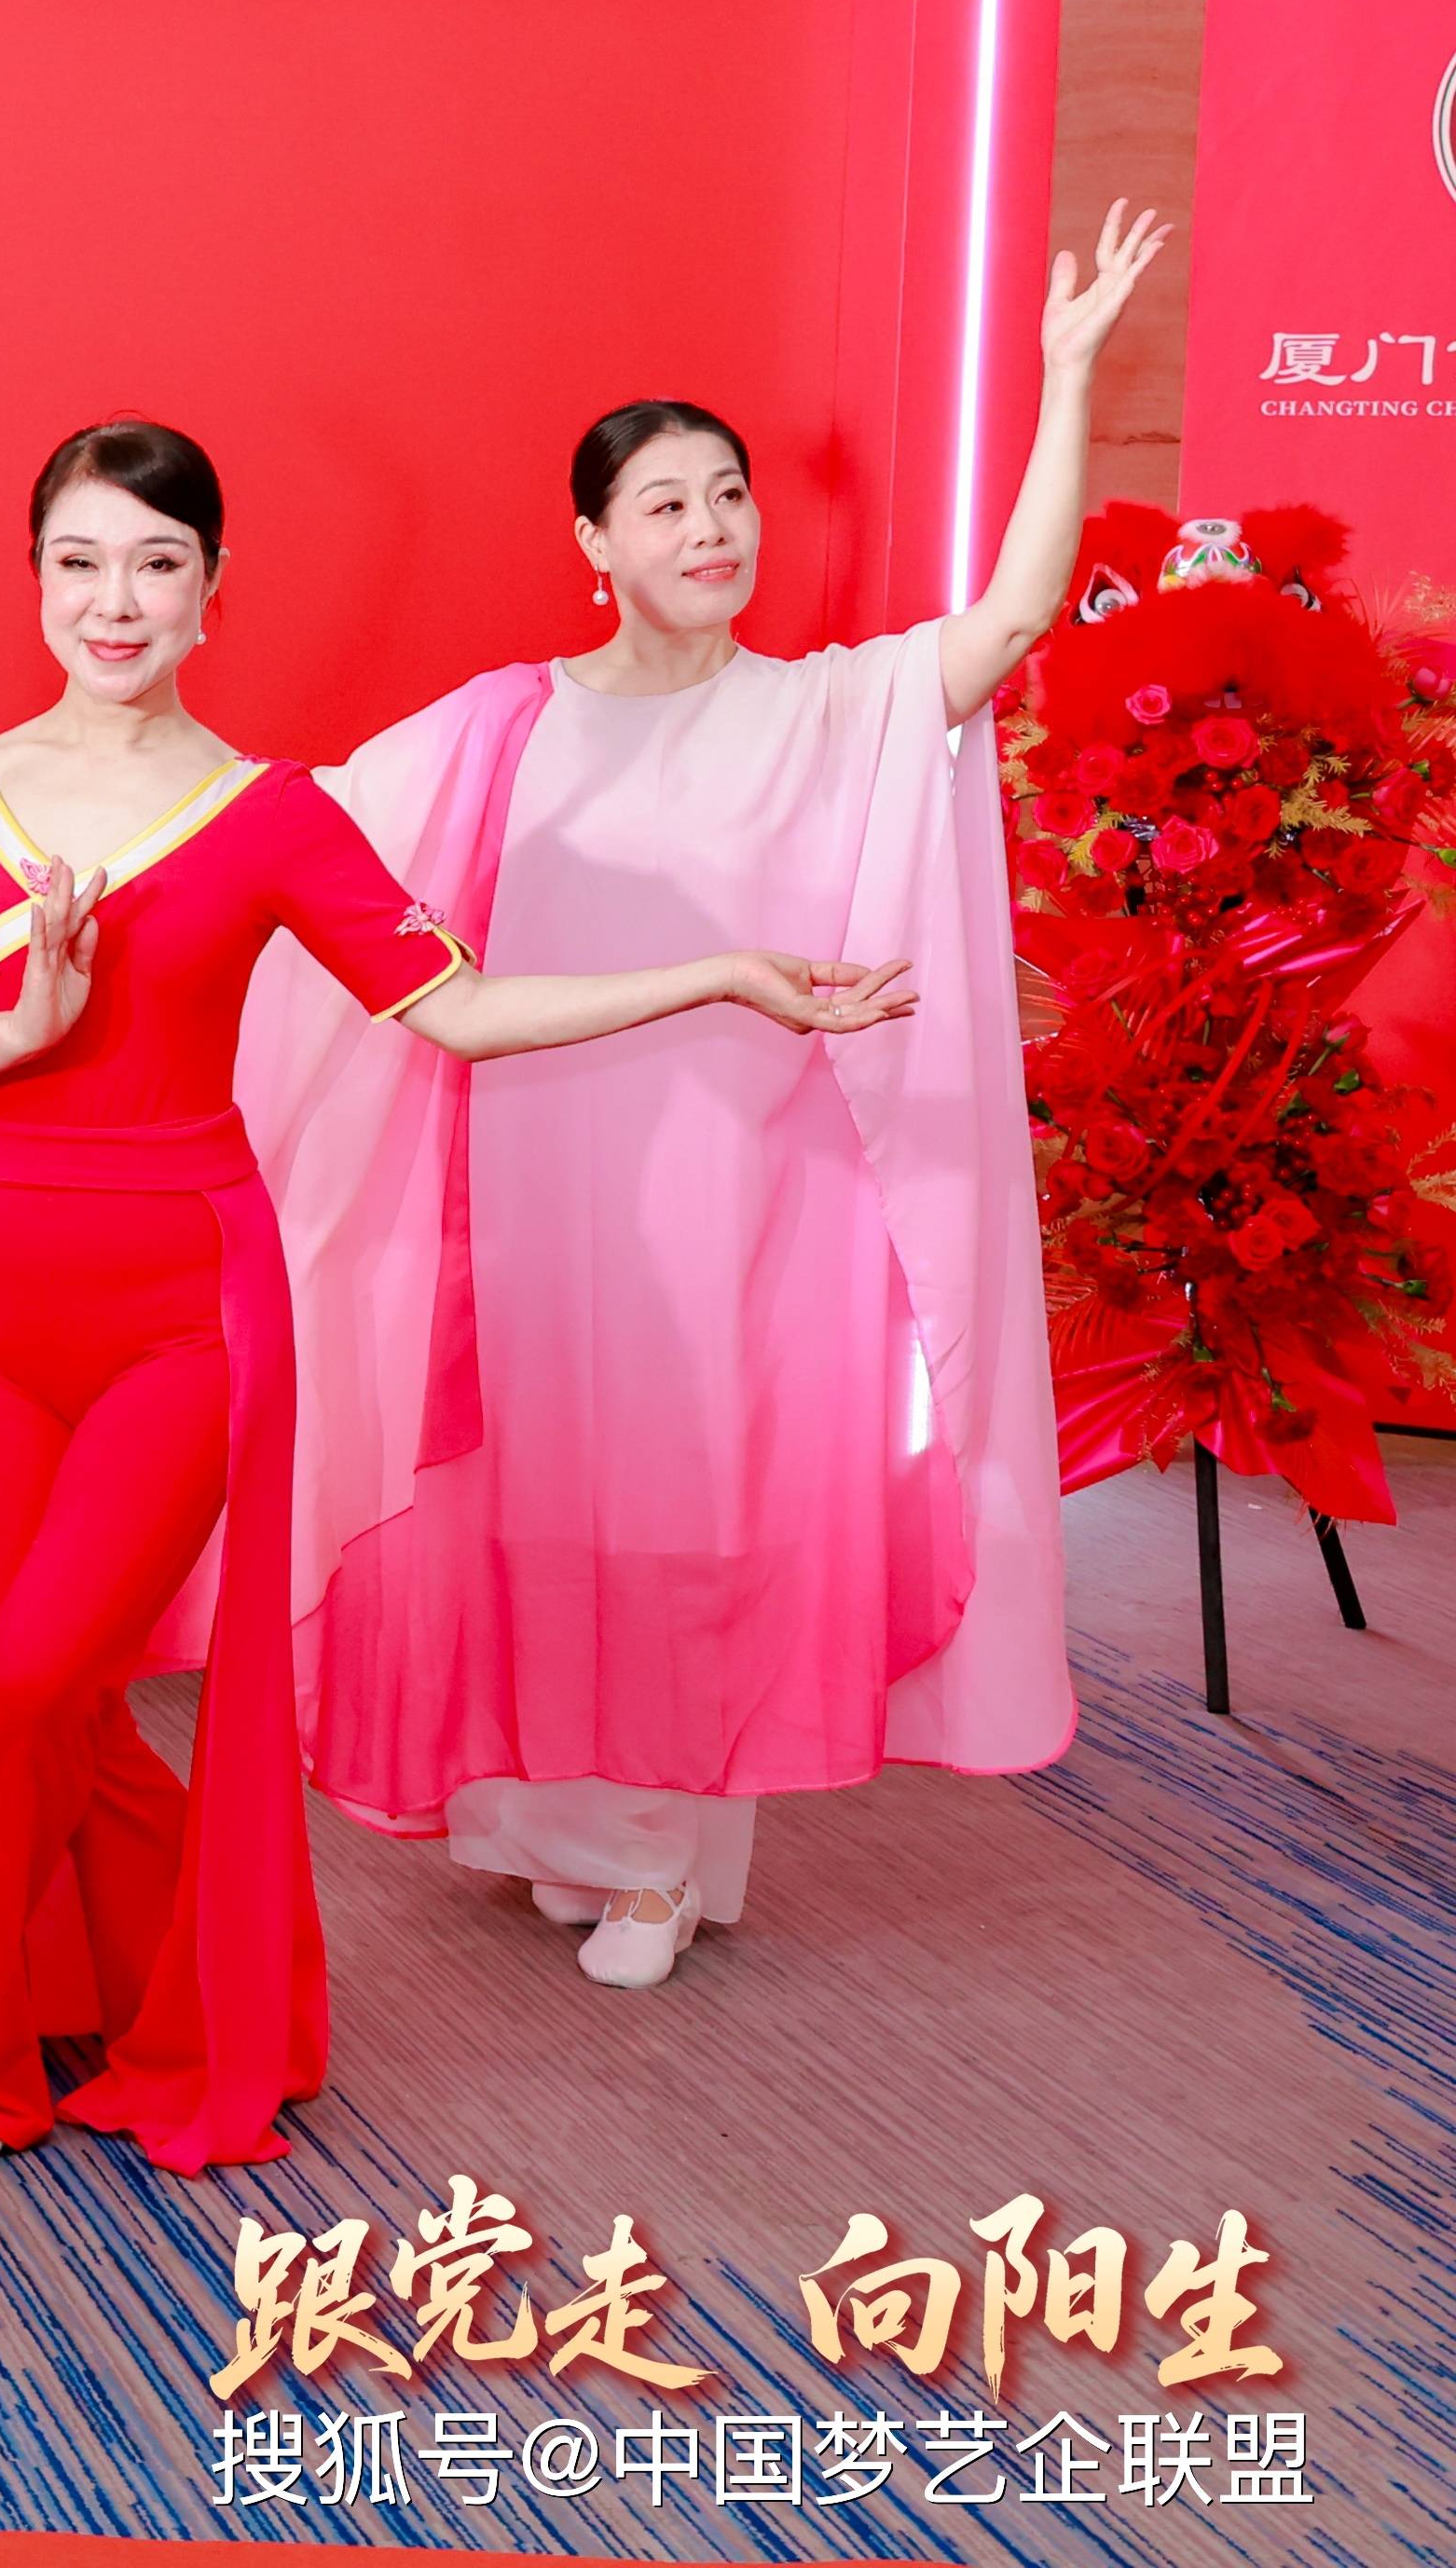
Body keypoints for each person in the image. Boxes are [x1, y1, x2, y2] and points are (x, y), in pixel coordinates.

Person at [0, 419, 911, 2172]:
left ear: (213, 591)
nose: (117, 602)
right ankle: (208, 1987)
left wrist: (718, 974)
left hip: (183, 1305)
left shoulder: (269, 812)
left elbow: (458, 1009)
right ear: (34, 581)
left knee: (31, 1681)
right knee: (18, 1694)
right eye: (82, 564)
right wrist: (15, 1030)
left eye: (158, 565)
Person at [249, 208, 1159, 1991]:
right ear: (593, 542)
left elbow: (1011, 618)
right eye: (664, 503)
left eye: (729, 494)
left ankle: (661, 1862)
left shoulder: (824, 708)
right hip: (526, 1183)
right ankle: (563, 1830)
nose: (711, 527)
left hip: (744, 1194)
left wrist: (1066, 381)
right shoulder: (504, 724)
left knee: (693, 1509)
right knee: (541, 1503)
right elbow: (307, 846)